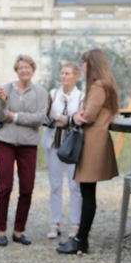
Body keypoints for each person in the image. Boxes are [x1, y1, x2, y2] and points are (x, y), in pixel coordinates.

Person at [57, 49, 120, 255]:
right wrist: (79, 114)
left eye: (83, 63)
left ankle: (81, 240)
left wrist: (76, 115)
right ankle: (80, 238)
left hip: (93, 143)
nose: (81, 67)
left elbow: (88, 115)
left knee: (87, 193)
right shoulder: (103, 84)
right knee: (87, 192)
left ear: (91, 64)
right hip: (95, 141)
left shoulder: (99, 86)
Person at [0, 55, 49, 246]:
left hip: (28, 144)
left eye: (27, 67)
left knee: (27, 188)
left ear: (33, 69)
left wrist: (14, 116)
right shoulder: (6, 88)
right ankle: (1, 230)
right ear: (16, 70)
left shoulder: (41, 92)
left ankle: (18, 231)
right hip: (5, 142)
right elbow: (0, 115)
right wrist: (2, 101)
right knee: (5, 186)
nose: (24, 70)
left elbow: (39, 118)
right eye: (20, 67)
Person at [42, 62, 84, 241]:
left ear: (77, 77)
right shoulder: (53, 94)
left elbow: (80, 120)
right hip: (53, 144)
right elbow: (46, 118)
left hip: (73, 145)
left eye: (67, 73)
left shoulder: (82, 97)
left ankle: (76, 223)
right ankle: (55, 222)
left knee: (75, 186)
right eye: (62, 73)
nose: (63, 77)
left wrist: (59, 117)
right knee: (55, 184)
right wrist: (69, 119)